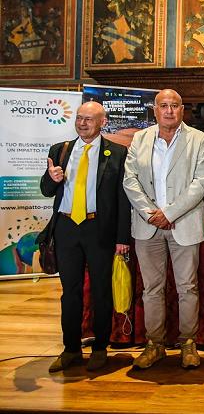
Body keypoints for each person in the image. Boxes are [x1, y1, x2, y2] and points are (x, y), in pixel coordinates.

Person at [123, 89, 204, 369]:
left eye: (175, 105)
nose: (169, 110)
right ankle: (155, 344)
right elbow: (130, 180)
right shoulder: (140, 138)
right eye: (164, 106)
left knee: (188, 287)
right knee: (152, 289)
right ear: (155, 109)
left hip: (183, 224)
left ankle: (188, 343)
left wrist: (170, 213)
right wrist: (152, 214)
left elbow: (201, 182)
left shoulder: (200, 140)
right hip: (147, 226)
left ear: (183, 109)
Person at [41, 101, 130, 373]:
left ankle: (100, 348)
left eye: (89, 119)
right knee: (71, 293)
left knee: (101, 292)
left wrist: (122, 237)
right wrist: (52, 178)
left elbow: (122, 199)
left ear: (103, 122)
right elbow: (46, 189)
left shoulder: (117, 153)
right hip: (66, 229)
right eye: (79, 118)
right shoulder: (60, 150)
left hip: (98, 228)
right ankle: (70, 349)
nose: (82, 123)